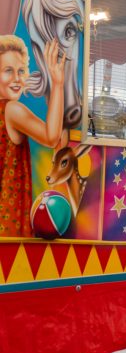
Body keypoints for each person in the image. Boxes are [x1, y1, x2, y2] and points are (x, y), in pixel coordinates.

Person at [0, 36, 65, 237]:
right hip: (7, 221)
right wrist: (58, 83)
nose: (17, 78)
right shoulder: (11, 110)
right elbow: (51, 137)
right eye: (8, 71)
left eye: (21, 71)